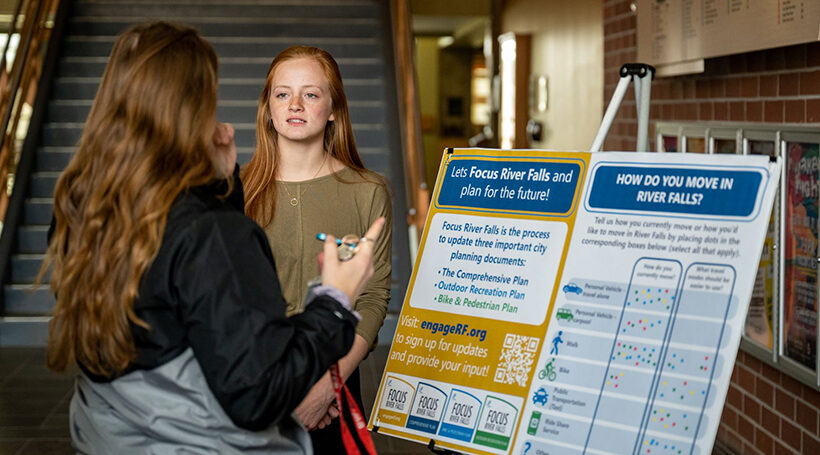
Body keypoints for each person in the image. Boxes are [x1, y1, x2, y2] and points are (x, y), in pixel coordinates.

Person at [43, 22, 383, 454]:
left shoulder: (79, 210)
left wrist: (219, 186)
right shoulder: (211, 232)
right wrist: (334, 300)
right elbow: (257, 394)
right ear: (190, 105)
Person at [242, 46, 392, 451]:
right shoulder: (232, 191)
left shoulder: (367, 190)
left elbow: (374, 297)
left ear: (332, 110)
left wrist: (327, 387)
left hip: (334, 378)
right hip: (250, 380)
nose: (294, 104)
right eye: (282, 94)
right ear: (268, 109)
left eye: (310, 94)